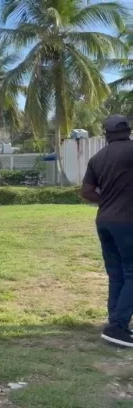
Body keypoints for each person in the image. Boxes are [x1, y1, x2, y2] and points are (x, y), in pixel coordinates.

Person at [81, 114, 133, 347]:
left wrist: (108, 200)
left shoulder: (97, 158)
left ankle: (115, 323)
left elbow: (86, 192)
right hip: (128, 221)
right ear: (128, 131)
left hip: (104, 221)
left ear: (107, 134)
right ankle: (117, 326)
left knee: (117, 273)